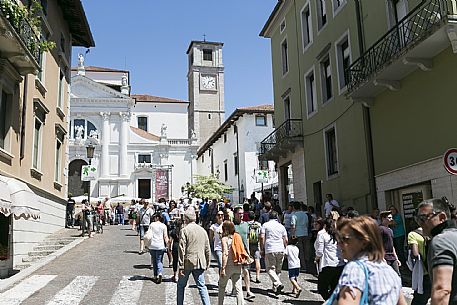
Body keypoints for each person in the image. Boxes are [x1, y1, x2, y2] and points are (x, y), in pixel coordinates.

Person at [326, 216, 406, 305]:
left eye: (345, 239)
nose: (339, 244)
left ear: (364, 242)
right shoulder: (390, 272)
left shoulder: (355, 268)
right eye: (339, 239)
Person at [416, 198, 457, 305]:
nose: (420, 223)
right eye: (418, 219)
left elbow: (441, 290)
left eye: (423, 218)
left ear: (442, 217)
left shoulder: (441, 241)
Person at [177, 210, 211, 305]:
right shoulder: (202, 230)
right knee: (201, 286)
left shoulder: (184, 230)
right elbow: (207, 248)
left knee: (181, 285)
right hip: (200, 261)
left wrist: (180, 266)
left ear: (186, 219)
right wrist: (207, 262)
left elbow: (181, 248)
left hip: (188, 262)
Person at [315, 218, 345, 299]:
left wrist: (317, 258)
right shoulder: (338, 235)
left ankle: (329, 301)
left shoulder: (322, 235)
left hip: (327, 264)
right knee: (334, 287)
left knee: (322, 288)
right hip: (340, 263)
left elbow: (320, 251)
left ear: (325, 225)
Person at [260, 210, 288, 294]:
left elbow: (262, 237)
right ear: (277, 217)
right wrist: (285, 248)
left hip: (270, 248)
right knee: (278, 270)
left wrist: (262, 248)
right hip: (280, 248)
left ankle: (277, 283)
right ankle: (275, 287)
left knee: (269, 269)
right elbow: (285, 239)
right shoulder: (281, 226)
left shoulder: (265, 225)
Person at [218, 221, 244, 305]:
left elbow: (225, 253)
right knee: (238, 289)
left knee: (222, 286)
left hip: (228, 264)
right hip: (237, 264)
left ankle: (220, 303)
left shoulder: (224, 239)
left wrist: (223, 268)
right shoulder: (237, 236)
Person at [233, 206, 255, 300]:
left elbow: (248, 238)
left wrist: (248, 251)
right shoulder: (232, 225)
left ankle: (248, 290)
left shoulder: (246, 225)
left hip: (245, 253)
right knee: (235, 273)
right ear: (235, 215)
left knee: (246, 272)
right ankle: (235, 289)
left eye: (242, 213)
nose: (241, 215)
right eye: (239, 213)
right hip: (235, 252)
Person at [407, 225, 430, 305]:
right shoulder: (432, 233)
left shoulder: (412, 234)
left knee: (419, 298)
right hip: (435, 270)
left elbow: (415, 254)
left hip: (423, 272)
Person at [147, 212, 169, 283]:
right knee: (159, 260)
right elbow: (165, 236)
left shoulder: (152, 225)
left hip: (152, 245)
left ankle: (155, 275)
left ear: (157, 217)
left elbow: (148, 235)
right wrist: (168, 245)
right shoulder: (163, 226)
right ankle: (160, 273)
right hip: (160, 245)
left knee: (154, 260)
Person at [379, 210, 401, 276]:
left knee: (397, 275)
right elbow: (378, 244)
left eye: (391, 217)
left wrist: (396, 258)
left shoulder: (390, 230)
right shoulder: (380, 229)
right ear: (383, 218)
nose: (391, 219)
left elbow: (392, 245)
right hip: (385, 257)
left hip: (392, 257)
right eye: (389, 218)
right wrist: (382, 258)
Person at [290, 201, 310, 272]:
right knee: (306, 250)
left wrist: (293, 234)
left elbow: (293, 226)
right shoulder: (305, 215)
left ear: (293, 207)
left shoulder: (294, 215)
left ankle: (303, 266)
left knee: (300, 251)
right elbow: (307, 224)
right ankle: (308, 265)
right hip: (305, 233)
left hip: (298, 234)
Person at [247, 211, 262, 283]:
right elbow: (260, 235)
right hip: (256, 243)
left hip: (249, 244)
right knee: (257, 260)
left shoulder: (246, 224)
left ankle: (249, 275)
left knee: (249, 260)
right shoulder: (258, 225)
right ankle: (258, 276)